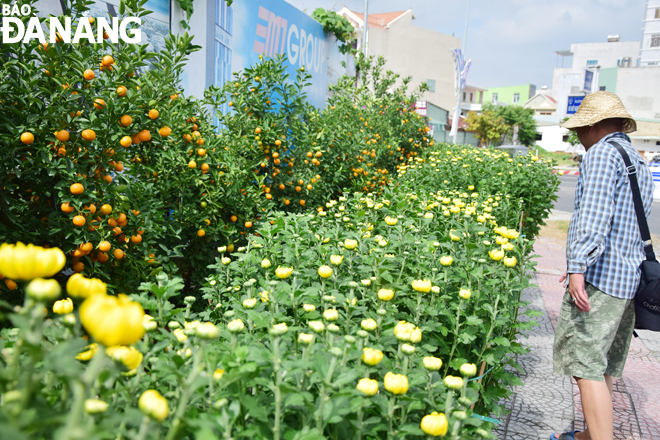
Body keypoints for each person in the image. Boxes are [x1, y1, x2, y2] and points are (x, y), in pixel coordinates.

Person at [551, 92, 654, 440]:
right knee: (604, 364)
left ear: (594, 126)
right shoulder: (636, 160)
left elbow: (593, 219)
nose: (577, 137)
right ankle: (585, 436)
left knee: (585, 367)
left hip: (601, 278)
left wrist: (578, 266)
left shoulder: (601, 155)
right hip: (628, 279)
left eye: (579, 129)